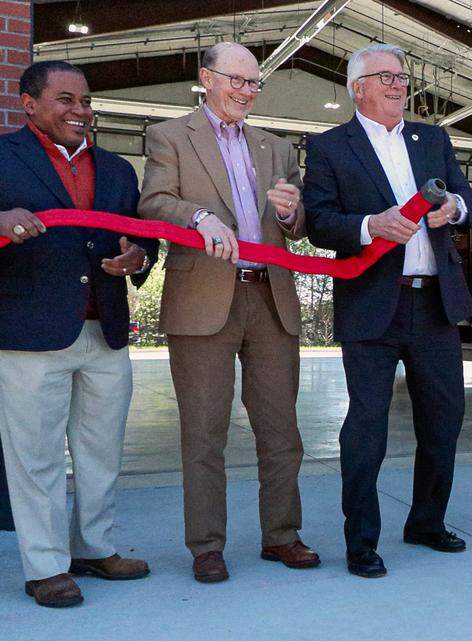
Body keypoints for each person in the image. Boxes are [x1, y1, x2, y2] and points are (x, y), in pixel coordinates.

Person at [139, 42, 317, 583]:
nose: (246, 91)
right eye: (235, 80)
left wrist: (291, 214)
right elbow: (153, 203)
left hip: (271, 298)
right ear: (207, 78)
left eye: (253, 82)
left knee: (282, 431)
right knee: (204, 433)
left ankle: (282, 535)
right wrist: (198, 217)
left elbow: (299, 225)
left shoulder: (277, 148)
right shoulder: (170, 136)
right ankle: (206, 546)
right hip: (202, 299)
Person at [303, 43, 472, 578]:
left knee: (444, 420)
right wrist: (368, 226)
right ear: (358, 88)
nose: (400, 84)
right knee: (366, 429)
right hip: (372, 303)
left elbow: (467, 195)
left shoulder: (433, 139)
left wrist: (455, 207)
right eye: (387, 77)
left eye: (403, 76)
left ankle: (427, 522)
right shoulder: (330, 147)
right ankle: (361, 541)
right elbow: (318, 221)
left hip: (435, 304)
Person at [0, 61, 158, 607]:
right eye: (65, 99)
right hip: (30, 332)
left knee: (101, 449)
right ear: (29, 104)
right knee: (36, 456)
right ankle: (45, 567)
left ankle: (93, 547)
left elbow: (141, 234)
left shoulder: (117, 169)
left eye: (86, 101)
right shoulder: (3, 156)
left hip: (105, 329)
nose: (80, 111)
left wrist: (139, 257)